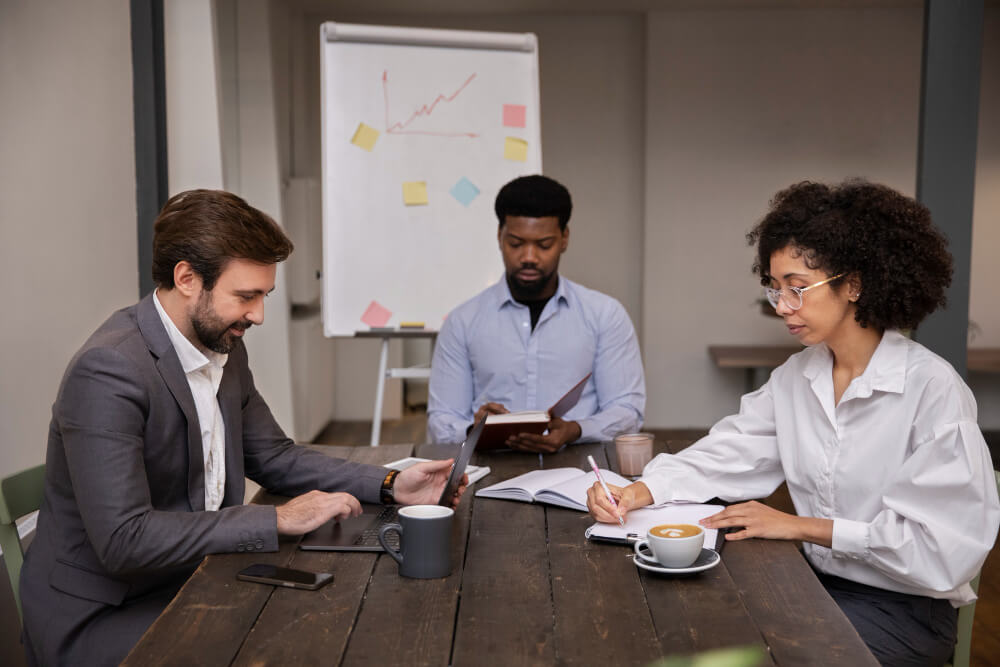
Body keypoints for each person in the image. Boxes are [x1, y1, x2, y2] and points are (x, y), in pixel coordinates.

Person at [20, 190, 466, 666]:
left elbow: (274, 456)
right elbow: (125, 540)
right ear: (187, 278)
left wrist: (393, 483)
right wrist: (276, 519)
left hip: (194, 578)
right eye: (245, 296)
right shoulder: (109, 370)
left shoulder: (223, 346)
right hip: (105, 615)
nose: (258, 315)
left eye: (264, 295)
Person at [588, 180, 999, 666]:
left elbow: (941, 551)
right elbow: (727, 454)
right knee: (685, 634)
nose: (782, 306)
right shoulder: (796, 378)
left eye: (798, 289)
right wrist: (638, 492)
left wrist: (800, 527)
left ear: (854, 285)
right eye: (775, 288)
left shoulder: (932, 390)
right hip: (815, 586)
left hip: (904, 611)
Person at [427, 175, 645, 453]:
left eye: (544, 245)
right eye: (516, 243)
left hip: (582, 468)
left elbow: (628, 411)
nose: (529, 256)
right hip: (486, 468)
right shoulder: (462, 322)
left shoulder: (605, 315)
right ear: (499, 236)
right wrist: (475, 431)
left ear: (564, 239)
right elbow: (441, 421)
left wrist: (575, 430)